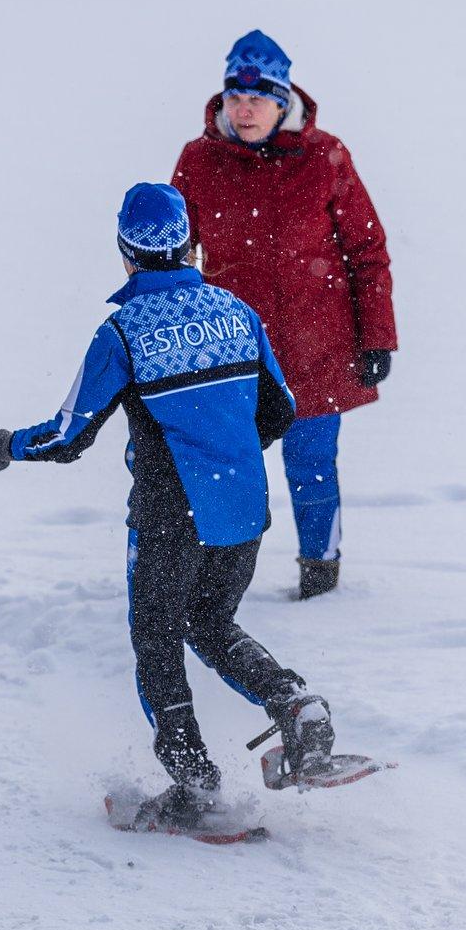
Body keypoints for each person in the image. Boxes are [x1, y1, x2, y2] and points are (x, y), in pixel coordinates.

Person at [0, 183, 336, 830]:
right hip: (243, 509)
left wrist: (8, 445)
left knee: (155, 641)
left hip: (172, 516)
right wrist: (224, 456)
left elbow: (68, 435)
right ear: (188, 245)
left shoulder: (122, 332)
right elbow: (281, 408)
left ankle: (197, 785)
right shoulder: (236, 311)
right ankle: (294, 702)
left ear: (126, 255)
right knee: (209, 624)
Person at [172, 30, 398, 600]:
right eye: (235, 97)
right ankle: (213, 580)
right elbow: (173, 255)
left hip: (317, 342)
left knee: (312, 463)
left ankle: (320, 574)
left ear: (282, 100)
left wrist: (377, 337)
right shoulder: (199, 161)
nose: (245, 109)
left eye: (259, 97)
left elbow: (366, 251)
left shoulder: (325, 157)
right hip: (231, 348)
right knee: (225, 466)